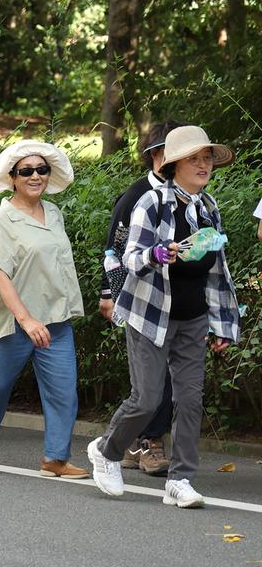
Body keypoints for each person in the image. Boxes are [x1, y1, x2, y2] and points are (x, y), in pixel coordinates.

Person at [89, 126, 240, 509]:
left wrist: (223, 324)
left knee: (189, 401)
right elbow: (128, 258)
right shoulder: (151, 202)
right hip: (150, 315)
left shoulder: (209, 207)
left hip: (193, 319)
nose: (203, 165)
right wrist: (157, 255)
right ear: (175, 164)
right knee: (148, 398)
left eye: (207, 158)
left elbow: (217, 270)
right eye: (195, 158)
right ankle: (107, 452)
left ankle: (181, 479)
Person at [0, 140, 88, 479]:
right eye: (26, 171)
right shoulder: (3, 220)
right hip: (12, 319)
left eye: (41, 169)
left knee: (63, 389)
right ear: (12, 177)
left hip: (54, 318)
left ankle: (55, 457)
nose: (35, 176)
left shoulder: (53, 213)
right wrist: (25, 319)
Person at [97, 121, 184, 477]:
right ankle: (146, 442)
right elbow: (113, 249)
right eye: (170, 151)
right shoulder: (135, 196)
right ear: (154, 156)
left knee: (166, 378)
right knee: (151, 381)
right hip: (139, 299)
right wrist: (110, 294)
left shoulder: (187, 196)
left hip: (177, 301)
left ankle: (136, 441)